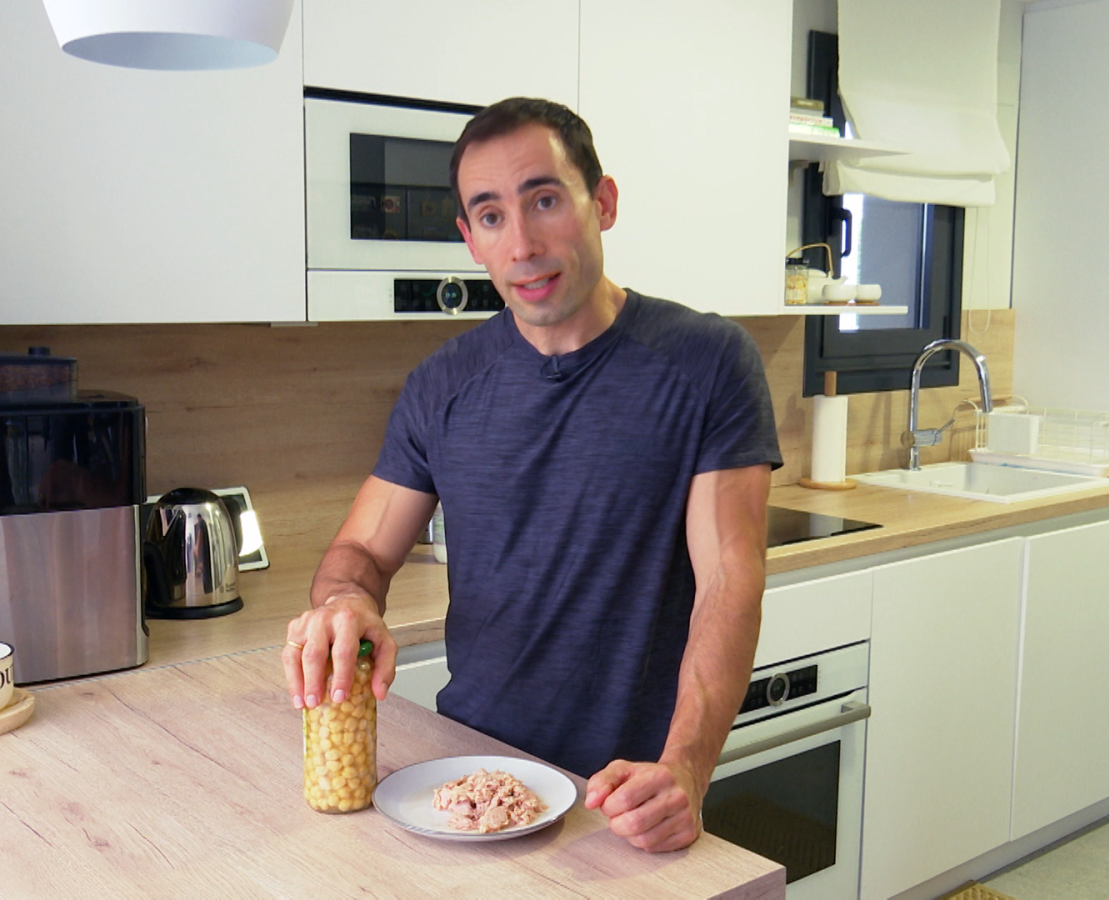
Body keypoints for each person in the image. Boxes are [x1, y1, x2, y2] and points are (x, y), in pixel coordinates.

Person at [283, 97, 781, 852]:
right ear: (469, 239)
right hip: (474, 784)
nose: (521, 242)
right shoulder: (440, 387)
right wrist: (346, 605)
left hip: (626, 795)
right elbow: (363, 553)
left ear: (602, 203)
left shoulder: (708, 363)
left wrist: (685, 767)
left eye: (544, 200)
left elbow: (729, 578)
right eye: (490, 216)